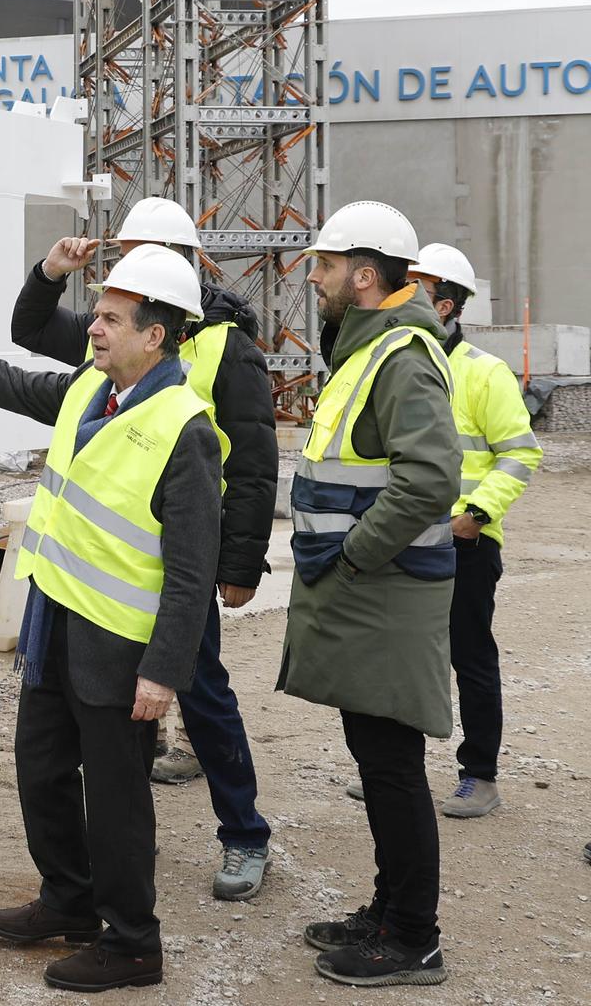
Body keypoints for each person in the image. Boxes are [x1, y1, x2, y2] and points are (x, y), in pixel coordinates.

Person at [0, 244, 221, 993]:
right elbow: (13, 381)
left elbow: (192, 572)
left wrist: (163, 671)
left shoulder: (184, 428)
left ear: (155, 334)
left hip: (119, 644)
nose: (94, 326)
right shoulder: (94, 390)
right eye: (98, 312)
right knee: (41, 767)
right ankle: (70, 898)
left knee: (118, 797)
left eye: (113, 318)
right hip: (55, 623)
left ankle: (132, 942)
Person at [12, 196, 278, 900]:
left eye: (133, 254)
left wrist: (240, 564)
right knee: (114, 716)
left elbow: (252, 460)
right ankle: (85, 877)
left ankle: (244, 834)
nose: (117, 268)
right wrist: (49, 270)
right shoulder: (120, 332)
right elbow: (29, 328)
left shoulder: (225, 349)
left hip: (181, 561)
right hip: (110, 571)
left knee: (205, 692)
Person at [281, 201, 458, 988]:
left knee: (391, 766)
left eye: (323, 265)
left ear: (362, 273)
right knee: (379, 758)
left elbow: (430, 480)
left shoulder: (402, 356)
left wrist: (352, 556)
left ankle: (413, 936)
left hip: (382, 594)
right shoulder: (369, 349)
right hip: (371, 595)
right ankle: (389, 911)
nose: (312, 277)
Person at [405, 243, 541, 818]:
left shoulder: (485, 373)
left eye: (417, 292)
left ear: (446, 305)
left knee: (470, 657)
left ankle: (479, 775)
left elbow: (520, 455)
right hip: (407, 537)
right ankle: (401, 771)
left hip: (466, 542)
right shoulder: (403, 363)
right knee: (405, 655)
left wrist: (475, 516)